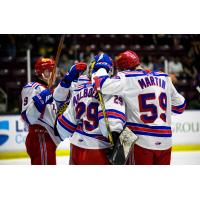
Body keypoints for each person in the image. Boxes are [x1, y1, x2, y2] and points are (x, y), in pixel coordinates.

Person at [92, 50, 186, 165]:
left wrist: (102, 66)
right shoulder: (165, 77)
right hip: (165, 141)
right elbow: (180, 106)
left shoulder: (126, 77)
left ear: (123, 68)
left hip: (141, 141)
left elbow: (99, 84)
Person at [55, 54, 126, 164]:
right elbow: (113, 127)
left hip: (76, 146)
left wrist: (59, 127)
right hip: (99, 148)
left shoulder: (80, 86)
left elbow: (65, 118)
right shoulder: (114, 88)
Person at [21, 58, 87, 164]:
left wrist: (70, 79)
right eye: (49, 71)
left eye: (54, 71)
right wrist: (42, 98)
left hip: (48, 138)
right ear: (40, 72)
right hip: (40, 135)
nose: (53, 74)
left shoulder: (51, 90)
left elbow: (61, 96)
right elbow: (27, 117)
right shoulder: (33, 87)